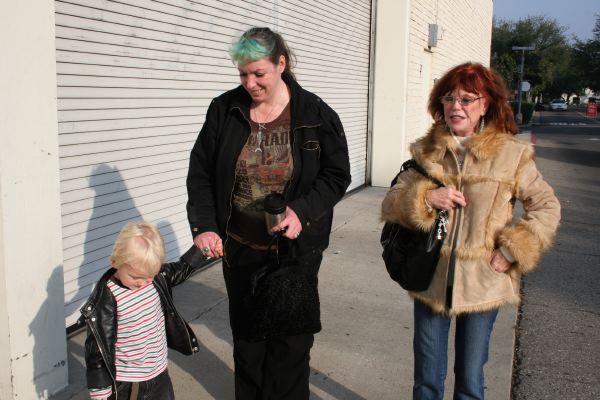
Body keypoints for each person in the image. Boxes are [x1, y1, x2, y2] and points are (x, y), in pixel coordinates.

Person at [186, 27, 351, 399]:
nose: (250, 83)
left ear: (281, 64)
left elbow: (336, 175)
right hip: (241, 247)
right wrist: (205, 226)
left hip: (295, 252)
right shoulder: (224, 109)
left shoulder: (315, 114)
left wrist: (301, 212)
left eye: (258, 73)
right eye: (243, 74)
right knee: (249, 345)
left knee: (290, 349)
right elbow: (201, 173)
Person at [381, 62, 561, 400]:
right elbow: (391, 203)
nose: (456, 106)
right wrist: (425, 198)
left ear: (485, 104)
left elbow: (546, 206)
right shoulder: (427, 151)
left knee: (470, 379)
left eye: (466, 99)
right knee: (426, 380)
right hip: (430, 277)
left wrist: (511, 251)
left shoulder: (511, 155)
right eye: (449, 98)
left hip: (483, 282)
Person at [80, 222, 204, 399]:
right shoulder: (106, 299)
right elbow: (96, 349)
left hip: (159, 372)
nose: (143, 283)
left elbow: (181, 269)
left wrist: (201, 250)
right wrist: (100, 388)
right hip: (129, 383)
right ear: (115, 261)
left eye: (149, 276)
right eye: (136, 277)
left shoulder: (155, 280)